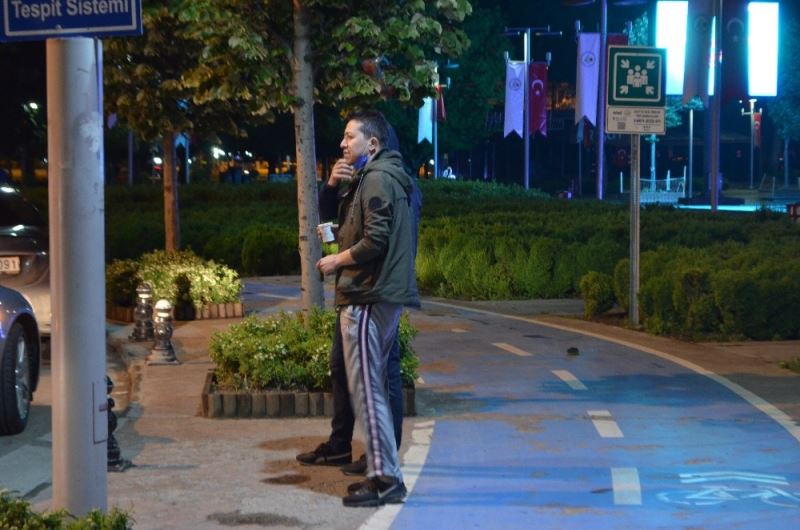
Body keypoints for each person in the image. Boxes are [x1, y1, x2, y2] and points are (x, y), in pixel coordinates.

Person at [306, 110, 419, 507]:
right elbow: (359, 232)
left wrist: (336, 261)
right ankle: (383, 475)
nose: (342, 143)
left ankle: (385, 480)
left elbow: (376, 240)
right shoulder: (375, 177)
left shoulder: (377, 178)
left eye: (349, 136)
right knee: (369, 389)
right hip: (374, 293)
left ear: (372, 143)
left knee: (369, 391)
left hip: (368, 294)